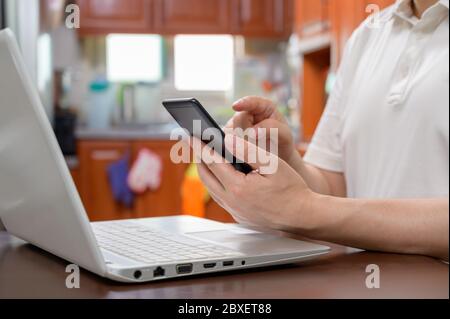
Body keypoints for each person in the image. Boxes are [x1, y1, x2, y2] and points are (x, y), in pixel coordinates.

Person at [188, 0, 449, 261]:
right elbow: (331, 188)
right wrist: (285, 163)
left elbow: (317, 206)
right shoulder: (368, 35)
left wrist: (302, 209)